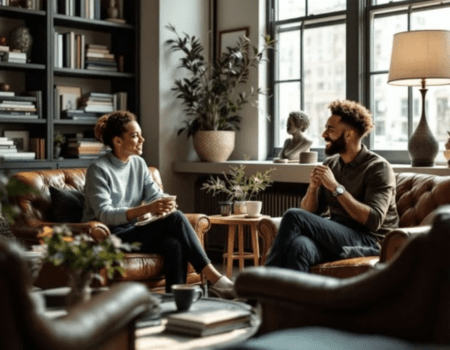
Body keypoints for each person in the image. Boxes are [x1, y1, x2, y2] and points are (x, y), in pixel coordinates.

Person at [82, 110, 234, 297]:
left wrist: (165, 202)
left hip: (133, 230)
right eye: (135, 136)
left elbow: (155, 195)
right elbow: (104, 214)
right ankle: (214, 278)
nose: (142, 140)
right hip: (109, 236)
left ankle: (174, 298)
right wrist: (147, 209)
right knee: (177, 219)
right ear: (117, 141)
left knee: (173, 244)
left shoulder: (138, 164)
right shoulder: (98, 169)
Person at [266, 100, 399, 272]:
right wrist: (313, 188)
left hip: (369, 239)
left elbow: (373, 221)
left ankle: (262, 281)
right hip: (336, 235)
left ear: (349, 135)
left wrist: (336, 187)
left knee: (293, 215)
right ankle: (288, 298)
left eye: (330, 129)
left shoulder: (378, 168)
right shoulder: (331, 164)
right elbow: (310, 213)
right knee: (299, 246)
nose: (323, 134)